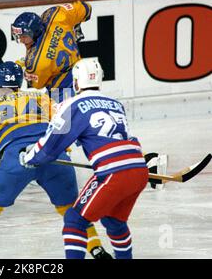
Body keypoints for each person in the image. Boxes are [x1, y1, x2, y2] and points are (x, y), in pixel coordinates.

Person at [0, 61, 110, 259]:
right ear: (21, 81)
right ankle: (97, 249)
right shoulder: (43, 99)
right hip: (53, 156)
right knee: (71, 208)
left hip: (16, 159)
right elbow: (62, 132)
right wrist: (61, 153)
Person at [20, 59, 149, 259]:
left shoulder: (73, 104)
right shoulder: (116, 104)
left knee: (74, 220)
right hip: (138, 168)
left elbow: (50, 146)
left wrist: (29, 156)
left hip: (112, 171)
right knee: (114, 221)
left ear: (76, 82)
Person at [11, 0, 92, 103]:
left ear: (35, 32)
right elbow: (87, 8)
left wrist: (23, 70)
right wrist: (76, 25)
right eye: (19, 36)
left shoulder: (36, 63)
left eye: (24, 36)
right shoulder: (56, 13)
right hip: (85, 81)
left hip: (63, 92)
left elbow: (37, 84)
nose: (21, 40)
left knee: (51, 117)